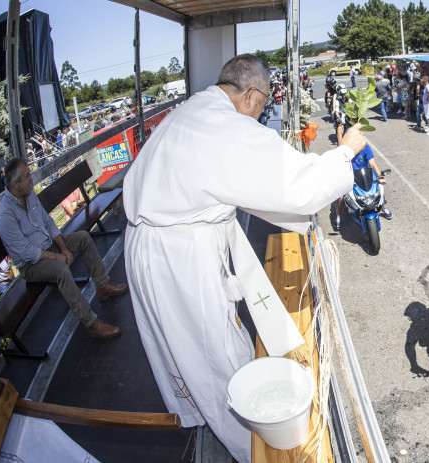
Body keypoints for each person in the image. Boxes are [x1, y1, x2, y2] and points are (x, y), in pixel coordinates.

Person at [122, 54, 367, 463]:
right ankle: (252, 448)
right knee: (213, 357)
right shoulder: (224, 126)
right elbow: (294, 185)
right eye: (266, 100)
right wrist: (343, 154)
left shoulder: (194, 111)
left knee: (185, 349)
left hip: (154, 247)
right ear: (252, 94)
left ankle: (209, 417)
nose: (263, 109)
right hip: (179, 261)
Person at [0, 159, 127, 339]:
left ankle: (102, 284)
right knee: (61, 270)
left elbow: (48, 222)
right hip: (31, 264)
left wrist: (63, 248)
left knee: (83, 238)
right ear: (15, 184)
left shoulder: (29, 194)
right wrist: (56, 257)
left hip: (48, 246)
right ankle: (91, 322)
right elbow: (25, 251)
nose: (31, 179)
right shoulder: (6, 214)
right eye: (27, 176)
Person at [333, 123, 391, 230]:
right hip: (350, 176)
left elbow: (373, 163)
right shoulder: (344, 150)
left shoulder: (365, 148)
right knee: (340, 197)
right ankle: (338, 217)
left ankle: (384, 207)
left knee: (378, 190)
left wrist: (380, 177)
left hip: (365, 175)